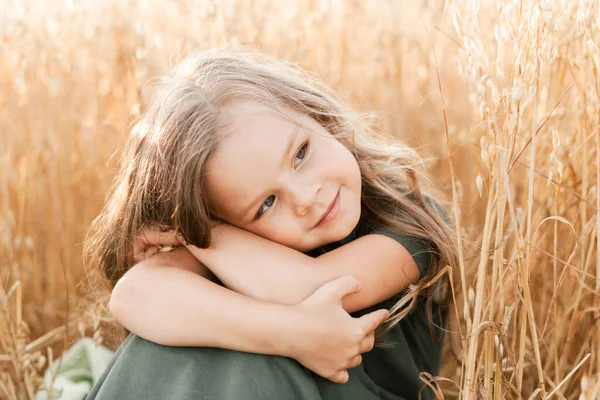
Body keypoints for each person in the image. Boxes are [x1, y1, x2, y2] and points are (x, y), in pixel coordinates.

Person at [84, 47, 459, 400]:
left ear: (316, 114)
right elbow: (134, 294)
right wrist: (294, 335)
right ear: (229, 221)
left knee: (231, 347)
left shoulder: (408, 221)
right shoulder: (235, 242)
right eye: (266, 204)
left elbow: (304, 287)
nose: (305, 197)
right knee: (164, 343)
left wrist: (201, 236)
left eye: (300, 154)